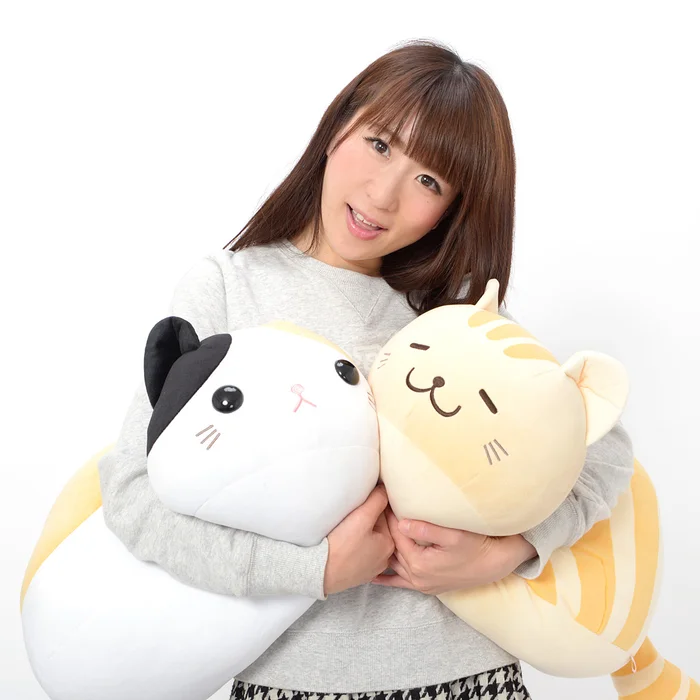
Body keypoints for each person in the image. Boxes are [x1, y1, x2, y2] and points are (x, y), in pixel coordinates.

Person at [98, 39, 635, 700]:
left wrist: (511, 550)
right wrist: (313, 570)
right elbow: (133, 493)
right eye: (380, 144)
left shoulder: (450, 315)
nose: (383, 195)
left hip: (466, 677)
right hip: (288, 682)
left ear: (454, 207)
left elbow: (603, 447)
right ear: (338, 127)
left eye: (429, 181)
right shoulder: (229, 288)